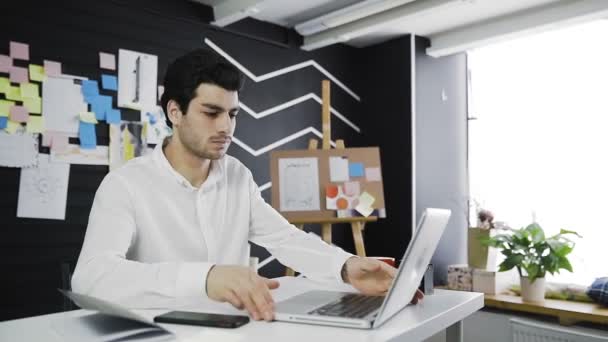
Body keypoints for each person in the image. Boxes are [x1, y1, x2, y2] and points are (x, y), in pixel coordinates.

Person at [72, 49, 423, 322]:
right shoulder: (125, 185)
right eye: (211, 113)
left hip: (233, 331)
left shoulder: (237, 175)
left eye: (233, 114)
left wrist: (346, 266)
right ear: (174, 113)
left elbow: (284, 238)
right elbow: (90, 278)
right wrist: (205, 278)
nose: (226, 126)